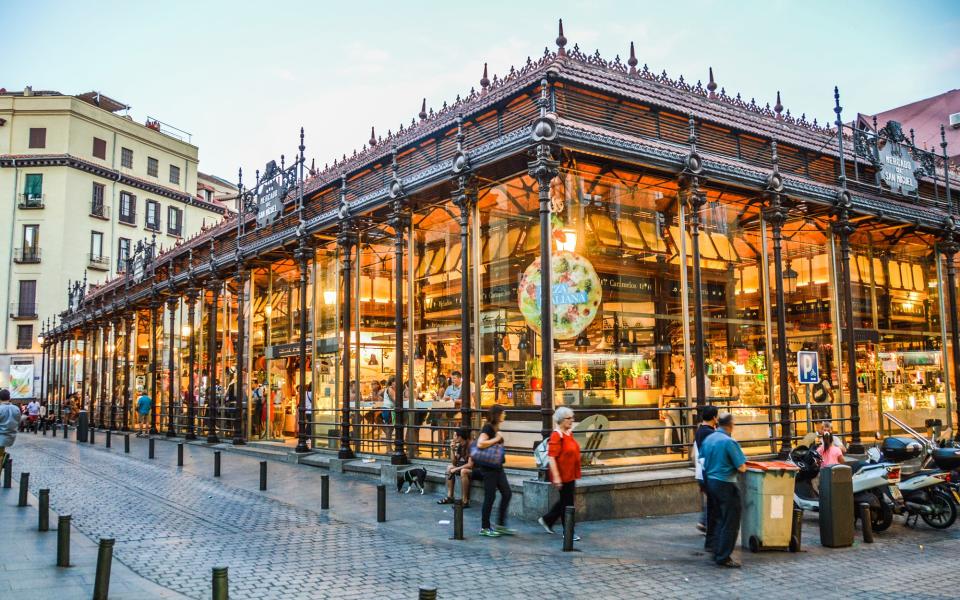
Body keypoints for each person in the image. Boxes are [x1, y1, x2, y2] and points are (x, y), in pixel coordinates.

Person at [700, 412, 747, 568]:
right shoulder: (729, 442)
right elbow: (741, 467)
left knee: (719, 518)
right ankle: (723, 556)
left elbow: (702, 459)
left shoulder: (709, 439)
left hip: (710, 482)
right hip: (726, 483)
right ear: (730, 425)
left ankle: (716, 550)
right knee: (731, 521)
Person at [538, 406, 582, 541]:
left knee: (565, 501)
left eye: (572, 417)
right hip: (562, 475)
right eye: (569, 418)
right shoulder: (557, 435)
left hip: (570, 473)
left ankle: (547, 520)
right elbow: (551, 457)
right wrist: (556, 477)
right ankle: (568, 531)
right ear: (561, 420)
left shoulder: (569, 433)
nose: (572, 420)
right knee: (568, 504)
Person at [476, 404, 513, 537]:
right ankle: (484, 527)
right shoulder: (488, 428)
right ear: (496, 415)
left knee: (507, 493)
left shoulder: (495, 427)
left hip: (497, 466)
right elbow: (480, 443)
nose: (505, 415)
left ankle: (501, 524)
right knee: (490, 497)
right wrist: (497, 438)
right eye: (503, 413)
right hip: (489, 468)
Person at [693, 405, 719, 533]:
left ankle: (704, 522)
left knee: (711, 499)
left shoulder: (700, 431)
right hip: (707, 472)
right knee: (714, 500)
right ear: (714, 417)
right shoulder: (710, 433)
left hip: (701, 472)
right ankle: (706, 524)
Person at [437, 427, 474, 507]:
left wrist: (456, 469)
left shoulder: (471, 445)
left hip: (475, 470)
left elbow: (470, 465)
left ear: (459, 437)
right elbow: (454, 462)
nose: (453, 438)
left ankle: (465, 501)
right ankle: (450, 497)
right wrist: (452, 450)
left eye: (454, 436)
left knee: (463, 471)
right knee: (449, 467)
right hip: (463, 467)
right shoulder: (460, 445)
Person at [659, 371, 681, 453]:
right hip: (673, 408)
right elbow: (677, 402)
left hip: (665, 408)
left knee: (668, 428)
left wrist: (660, 412)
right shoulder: (675, 388)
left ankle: (668, 449)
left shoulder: (663, 389)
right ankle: (686, 446)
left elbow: (660, 401)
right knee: (679, 427)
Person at [0, 390, 20, 469]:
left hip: (1, 436)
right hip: (11, 436)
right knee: (1, 454)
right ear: (9, 397)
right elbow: (18, 421)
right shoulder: (16, 409)